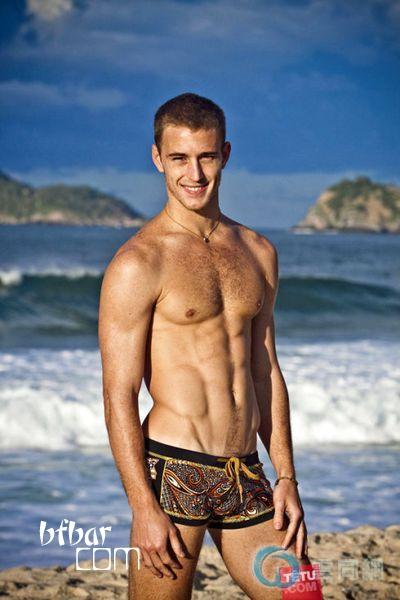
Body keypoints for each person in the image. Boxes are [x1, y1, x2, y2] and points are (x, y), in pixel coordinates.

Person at [98, 92, 311, 599]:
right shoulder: (138, 263)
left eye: (206, 157)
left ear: (226, 154)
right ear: (157, 158)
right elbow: (119, 394)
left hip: (246, 471)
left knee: (302, 592)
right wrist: (142, 506)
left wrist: (286, 476)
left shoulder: (258, 251)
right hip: (173, 473)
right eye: (179, 158)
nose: (193, 174)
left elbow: (265, 370)